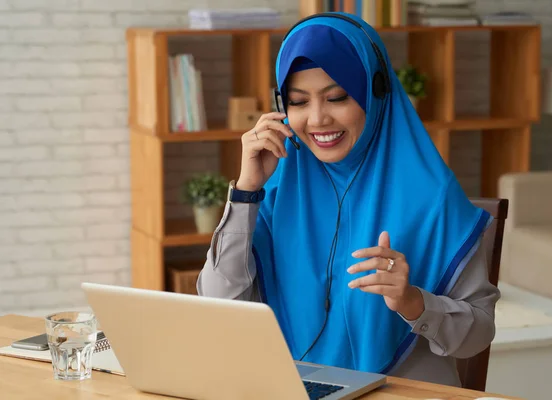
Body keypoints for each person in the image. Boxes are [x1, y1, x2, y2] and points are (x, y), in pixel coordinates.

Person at [197, 12, 500, 387]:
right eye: (298, 101)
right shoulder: (276, 191)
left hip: (401, 392)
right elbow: (219, 303)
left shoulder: (431, 197)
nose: (317, 118)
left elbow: (479, 334)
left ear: (375, 93)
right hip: (292, 386)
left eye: (337, 97)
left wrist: (413, 302)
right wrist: (245, 192)